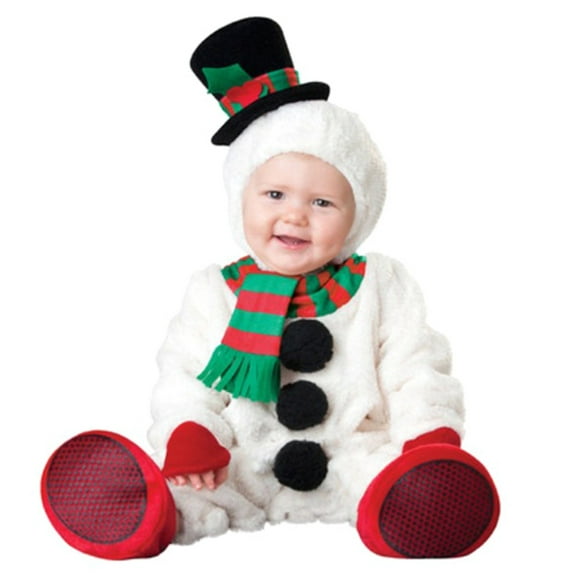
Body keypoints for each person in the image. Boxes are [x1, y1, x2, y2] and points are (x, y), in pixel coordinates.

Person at [41, 17, 500, 561]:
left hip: (356, 455)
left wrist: (428, 435)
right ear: (241, 197)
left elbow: (415, 367)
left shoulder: (381, 284)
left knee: (394, 475)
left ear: (359, 213)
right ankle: (149, 515)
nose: (295, 216)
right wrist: (190, 431)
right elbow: (186, 375)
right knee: (198, 486)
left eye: (322, 203)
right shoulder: (216, 291)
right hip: (245, 459)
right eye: (275, 194)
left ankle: (417, 501)